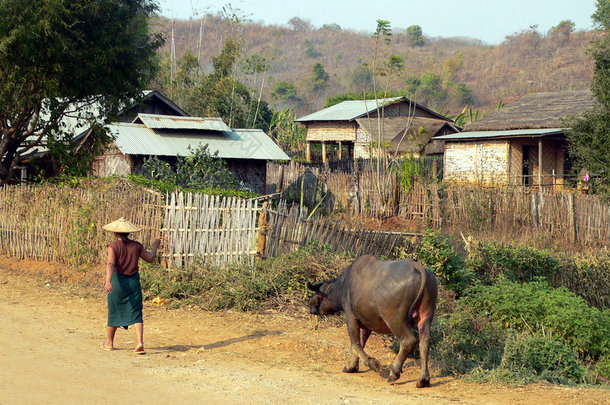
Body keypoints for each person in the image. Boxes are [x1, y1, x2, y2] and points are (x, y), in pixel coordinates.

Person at [99, 217, 160, 355]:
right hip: (133, 282)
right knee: (137, 312)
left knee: (114, 311)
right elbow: (150, 258)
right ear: (129, 232)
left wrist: (108, 281)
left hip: (117, 282)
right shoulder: (137, 246)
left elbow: (110, 264)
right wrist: (155, 245)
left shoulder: (113, 246)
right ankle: (139, 343)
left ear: (115, 233)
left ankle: (109, 343)